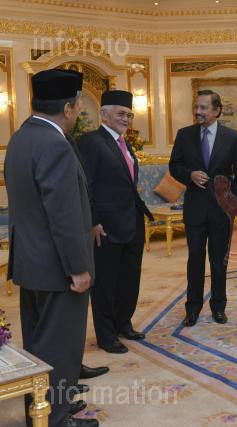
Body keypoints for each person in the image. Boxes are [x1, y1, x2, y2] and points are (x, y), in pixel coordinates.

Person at [4, 69, 98, 427]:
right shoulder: (55, 144)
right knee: (60, 347)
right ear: (69, 108)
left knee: (39, 345)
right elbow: (64, 215)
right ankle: (55, 420)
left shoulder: (20, 137)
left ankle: (42, 411)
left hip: (30, 263)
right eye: (78, 105)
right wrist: (78, 267)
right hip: (58, 268)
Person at [78, 90, 153, 354]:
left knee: (129, 278)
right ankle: (107, 334)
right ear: (104, 114)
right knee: (105, 283)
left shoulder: (124, 143)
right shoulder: (91, 141)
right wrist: (93, 221)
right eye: (121, 114)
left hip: (131, 222)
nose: (126, 119)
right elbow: (85, 185)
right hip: (105, 226)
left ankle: (123, 323)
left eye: (129, 115)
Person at [170, 90, 237, 327]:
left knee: (218, 261)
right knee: (194, 260)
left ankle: (218, 307)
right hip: (194, 209)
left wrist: (231, 205)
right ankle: (192, 309)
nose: (198, 112)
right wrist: (189, 175)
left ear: (217, 110)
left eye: (203, 108)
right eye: (196, 107)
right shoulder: (184, 135)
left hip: (220, 212)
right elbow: (174, 166)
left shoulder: (232, 138)